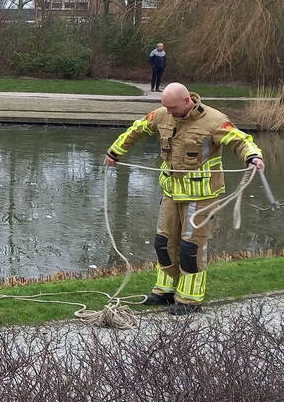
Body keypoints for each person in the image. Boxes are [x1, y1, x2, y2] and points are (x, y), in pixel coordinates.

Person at [104, 83, 265, 315]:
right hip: (171, 192)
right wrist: (114, 152)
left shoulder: (215, 121)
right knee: (163, 242)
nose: (169, 112)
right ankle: (165, 289)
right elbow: (137, 129)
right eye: (166, 107)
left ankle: (190, 299)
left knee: (191, 248)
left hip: (202, 197)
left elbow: (240, 140)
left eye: (173, 107)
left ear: (187, 100)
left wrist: (253, 157)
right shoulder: (162, 116)